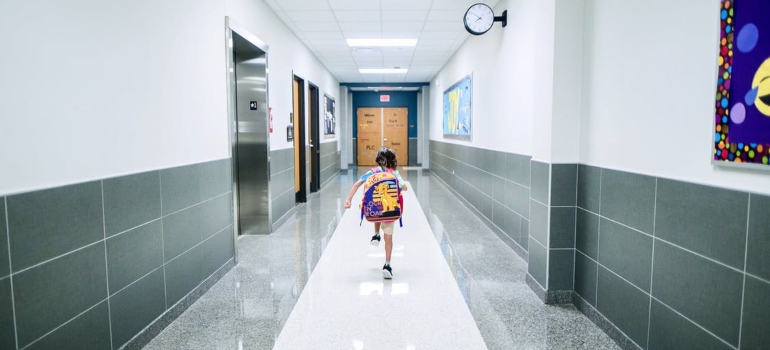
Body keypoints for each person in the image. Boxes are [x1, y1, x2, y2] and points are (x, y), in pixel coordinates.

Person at [344, 146, 408, 279]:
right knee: (389, 238)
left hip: (374, 210)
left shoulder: (372, 172)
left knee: (377, 209)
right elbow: (405, 188)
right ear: (393, 160)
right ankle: (387, 264)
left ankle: (376, 234)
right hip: (390, 211)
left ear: (378, 160)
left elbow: (356, 184)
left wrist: (348, 200)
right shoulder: (394, 173)